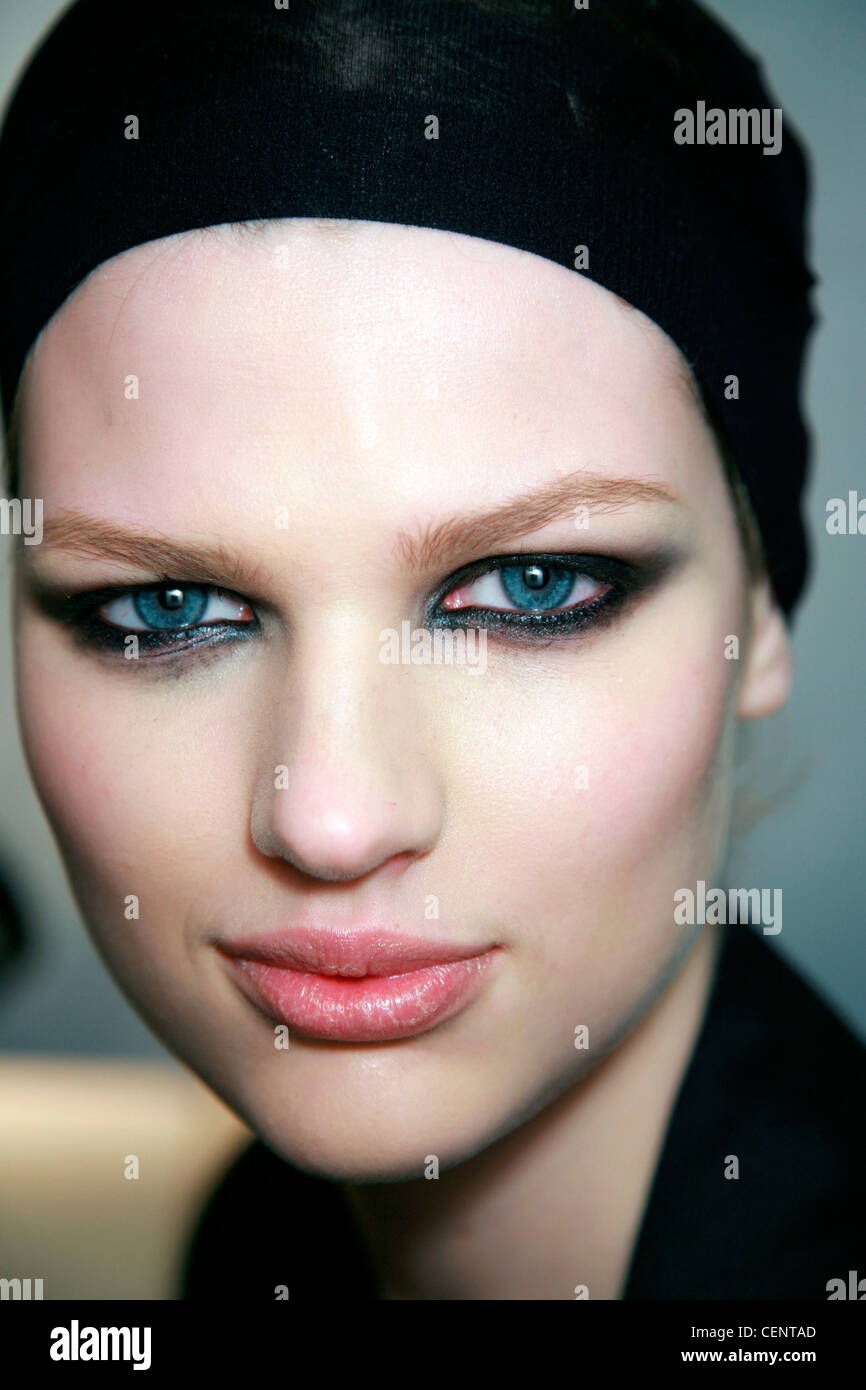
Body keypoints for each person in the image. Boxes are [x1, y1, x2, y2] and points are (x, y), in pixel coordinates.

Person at [1, 0, 862, 1300]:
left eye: (531, 586)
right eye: (166, 607)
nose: (333, 819)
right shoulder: (259, 1239)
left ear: (756, 619)